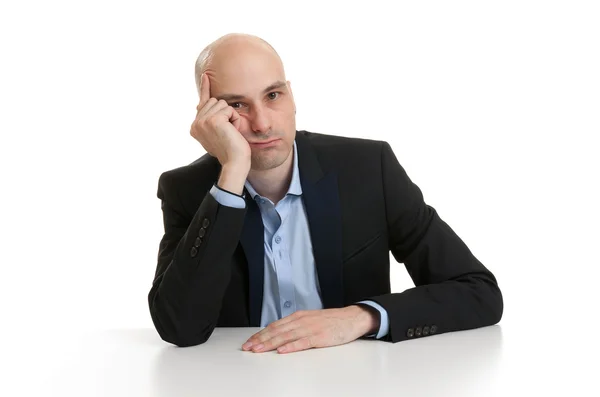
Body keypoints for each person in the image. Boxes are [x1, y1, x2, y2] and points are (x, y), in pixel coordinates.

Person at [148, 33, 503, 354]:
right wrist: (233, 173)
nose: (262, 123)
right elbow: (180, 328)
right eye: (237, 106)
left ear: (291, 94)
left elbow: (478, 291)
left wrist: (361, 317)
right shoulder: (190, 191)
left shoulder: (368, 169)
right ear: (210, 115)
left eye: (273, 96)